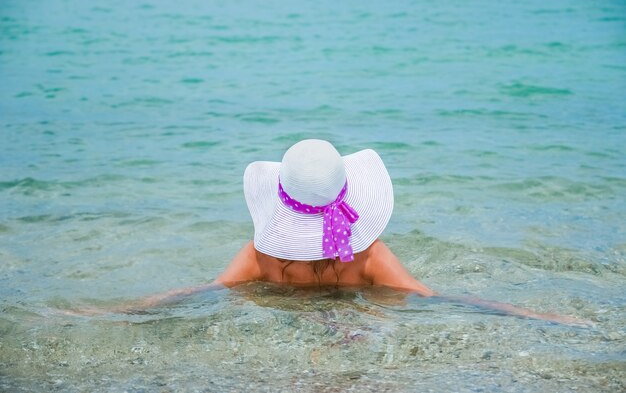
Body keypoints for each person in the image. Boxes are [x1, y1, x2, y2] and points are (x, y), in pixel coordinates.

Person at [70, 139, 590, 326]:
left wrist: (120, 309)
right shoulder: (365, 256)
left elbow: (201, 292)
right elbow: (435, 298)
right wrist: (530, 314)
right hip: (359, 319)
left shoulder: (262, 258)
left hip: (275, 327)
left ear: (280, 195)